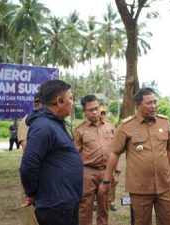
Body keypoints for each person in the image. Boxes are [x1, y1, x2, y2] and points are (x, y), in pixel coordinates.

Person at [100, 87, 170, 225]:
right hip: (140, 188)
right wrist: (107, 180)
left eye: (155, 102)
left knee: (168, 219)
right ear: (137, 105)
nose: (153, 106)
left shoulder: (164, 122)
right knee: (141, 221)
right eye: (149, 103)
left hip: (164, 184)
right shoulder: (126, 126)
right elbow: (114, 154)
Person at [20, 80, 83, 225]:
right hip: (55, 205)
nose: (73, 103)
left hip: (65, 201)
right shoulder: (44, 127)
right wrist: (33, 193)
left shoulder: (54, 123)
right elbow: (28, 165)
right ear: (59, 101)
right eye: (71, 98)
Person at [72, 96, 119, 225]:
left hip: (106, 172)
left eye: (96, 108)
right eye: (90, 110)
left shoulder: (109, 126)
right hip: (87, 173)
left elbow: (116, 151)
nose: (95, 112)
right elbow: (74, 156)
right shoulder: (79, 130)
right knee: (85, 208)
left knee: (104, 208)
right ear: (84, 111)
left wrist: (116, 172)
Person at [17, 92, 42, 225]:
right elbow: (26, 146)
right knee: (30, 209)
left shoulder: (53, 120)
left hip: (48, 171)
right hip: (32, 169)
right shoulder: (27, 120)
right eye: (37, 104)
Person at [99, 107, 119, 212]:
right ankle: (96, 202)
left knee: (111, 182)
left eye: (103, 113)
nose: (102, 115)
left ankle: (111, 201)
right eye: (100, 113)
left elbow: (115, 143)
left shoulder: (110, 125)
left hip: (109, 160)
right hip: (97, 162)